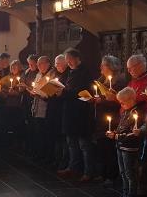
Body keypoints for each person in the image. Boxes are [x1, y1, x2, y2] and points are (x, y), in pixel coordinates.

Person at [57, 48, 96, 182]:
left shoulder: (85, 72)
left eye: (70, 60)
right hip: (69, 111)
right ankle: (73, 167)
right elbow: (67, 88)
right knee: (71, 143)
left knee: (84, 145)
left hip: (81, 113)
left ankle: (88, 172)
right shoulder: (70, 72)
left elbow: (82, 92)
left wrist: (63, 92)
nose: (68, 62)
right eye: (67, 60)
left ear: (77, 58)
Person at [106, 87, 142, 197]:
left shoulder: (136, 113)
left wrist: (116, 136)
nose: (121, 105)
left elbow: (133, 133)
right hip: (121, 146)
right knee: (123, 172)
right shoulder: (126, 111)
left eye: (123, 102)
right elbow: (122, 127)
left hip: (129, 148)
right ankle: (124, 195)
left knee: (130, 173)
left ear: (131, 99)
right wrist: (114, 132)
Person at [95, 55, 127, 185]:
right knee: (102, 147)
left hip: (112, 117)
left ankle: (111, 175)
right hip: (100, 117)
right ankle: (102, 173)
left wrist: (104, 99)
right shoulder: (102, 80)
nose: (101, 67)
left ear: (111, 67)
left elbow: (120, 101)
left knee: (109, 148)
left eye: (103, 65)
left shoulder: (119, 82)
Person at [28, 56, 54, 161]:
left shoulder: (52, 75)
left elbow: (50, 92)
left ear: (47, 64)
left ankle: (46, 155)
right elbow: (36, 88)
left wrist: (41, 94)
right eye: (37, 64)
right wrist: (32, 92)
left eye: (40, 64)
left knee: (45, 133)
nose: (38, 66)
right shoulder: (38, 74)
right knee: (37, 132)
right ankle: (38, 153)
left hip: (46, 109)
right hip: (36, 107)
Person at [48, 55, 69, 169]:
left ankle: (64, 161)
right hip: (54, 108)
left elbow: (68, 91)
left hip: (63, 109)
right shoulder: (55, 74)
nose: (56, 66)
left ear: (65, 63)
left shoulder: (68, 75)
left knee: (63, 138)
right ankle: (57, 158)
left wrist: (61, 92)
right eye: (55, 64)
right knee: (56, 136)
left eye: (58, 64)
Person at [1, 59, 26, 150]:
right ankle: (10, 143)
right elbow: (1, 86)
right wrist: (7, 92)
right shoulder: (7, 77)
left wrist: (15, 93)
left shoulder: (22, 77)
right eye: (12, 67)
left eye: (15, 66)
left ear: (19, 67)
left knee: (18, 125)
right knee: (9, 124)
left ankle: (18, 144)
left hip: (18, 105)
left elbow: (22, 91)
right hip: (8, 104)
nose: (13, 68)